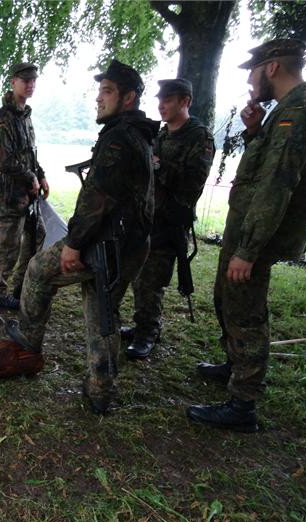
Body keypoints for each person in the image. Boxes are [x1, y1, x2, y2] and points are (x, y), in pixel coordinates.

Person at [6, 59, 159, 414]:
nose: (98, 98)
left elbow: (97, 199)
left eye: (107, 91)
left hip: (104, 242)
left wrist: (74, 245)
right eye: (100, 91)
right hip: (131, 244)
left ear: (128, 98)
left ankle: (29, 338)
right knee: (102, 311)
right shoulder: (139, 133)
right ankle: (101, 390)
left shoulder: (119, 138)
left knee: (38, 270)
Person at [187, 39, 306, 432]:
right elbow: (264, 168)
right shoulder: (283, 111)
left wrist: (249, 248)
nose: (250, 81)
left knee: (246, 311)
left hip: (255, 236)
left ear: (272, 68)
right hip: (245, 229)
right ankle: (235, 364)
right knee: (226, 298)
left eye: (252, 72)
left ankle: (243, 404)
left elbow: (277, 184)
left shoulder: (299, 112)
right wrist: (255, 131)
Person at [122, 79, 215, 359]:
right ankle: (141, 324)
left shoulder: (199, 137)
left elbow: (193, 184)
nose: (161, 105)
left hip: (170, 219)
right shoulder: (161, 134)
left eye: (168, 100)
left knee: (152, 279)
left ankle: (148, 332)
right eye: (160, 100)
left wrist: (159, 167)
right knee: (139, 276)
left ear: (185, 101)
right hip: (147, 215)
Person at [0, 62, 49, 311]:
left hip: (27, 193)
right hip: (10, 195)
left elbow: (29, 153)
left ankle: (20, 286)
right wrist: (30, 177)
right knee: (8, 246)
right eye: (25, 81)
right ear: (13, 82)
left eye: (33, 80)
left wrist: (41, 175)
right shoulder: (4, 119)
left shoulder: (25, 116)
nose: (30, 85)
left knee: (38, 235)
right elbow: (2, 160)